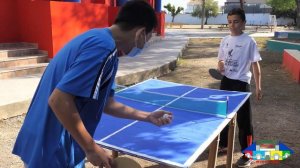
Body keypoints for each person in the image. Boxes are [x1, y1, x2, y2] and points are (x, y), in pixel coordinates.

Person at [12, 1, 173, 168]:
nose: (145, 44)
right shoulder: (103, 49)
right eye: (148, 37)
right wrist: (91, 147)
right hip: (53, 145)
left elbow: (107, 104)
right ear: (140, 33)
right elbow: (59, 100)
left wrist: (147, 116)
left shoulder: (100, 41)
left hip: (49, 140)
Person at [217, 8, 263, 168]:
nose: (232, 25)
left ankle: (248, 153)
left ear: (243, 23)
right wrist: (221, 64)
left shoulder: (249, 41)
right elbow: (220, 60)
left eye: (236, 21)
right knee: (222, 116)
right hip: (226, 82)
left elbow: (255, 65)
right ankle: (222, 144)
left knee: (244, 121)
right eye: (229, 22)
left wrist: (258, 87)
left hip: (241, 84)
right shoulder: (224, 40)